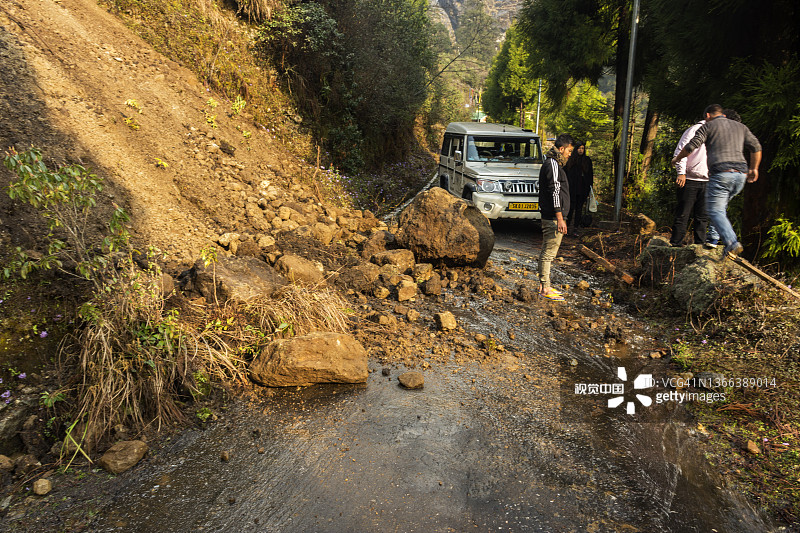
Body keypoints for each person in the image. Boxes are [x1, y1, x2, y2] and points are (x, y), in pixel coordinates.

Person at [671, 104, 762, 259]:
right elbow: (756, 147)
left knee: (714, 211)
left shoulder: (709, 126)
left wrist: (677, 159)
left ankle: (731, 243)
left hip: (721, 174)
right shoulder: (739, 127)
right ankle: (713, 240)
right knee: (718, 208)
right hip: (740, 176)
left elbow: (690, 146)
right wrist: (754, 168)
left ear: (708, 116)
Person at [670, 118, 719, 247]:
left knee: (702, 216)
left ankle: (699, 246)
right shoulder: (694, 130)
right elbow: (681, 150)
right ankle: (676, 244)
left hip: (708, 180)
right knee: (683, 213)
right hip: (690, 179)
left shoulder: (718, 132)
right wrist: (681, 173)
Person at [538, 134, 574, 301]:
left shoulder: (554, 164)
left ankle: (543, 285)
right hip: (553, 217)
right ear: (561, 149)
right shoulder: (552, 164)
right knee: (548, 253)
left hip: (554, 216)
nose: (570, 154)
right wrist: (560, 217)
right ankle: (545, 288)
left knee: (547, 251)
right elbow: (555, 191)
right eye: (569, 151)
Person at [565, 142, 594, 236]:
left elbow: (590, 175)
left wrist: (589, 188)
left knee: (579, 209)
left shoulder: (587, 160)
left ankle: (575, 228)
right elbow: (566, 173)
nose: (581, 150)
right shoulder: (571, 160)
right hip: (572, 188)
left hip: (582, 188)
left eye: (582, 148)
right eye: (579, 148)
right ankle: (567, 227)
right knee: (570, 208)